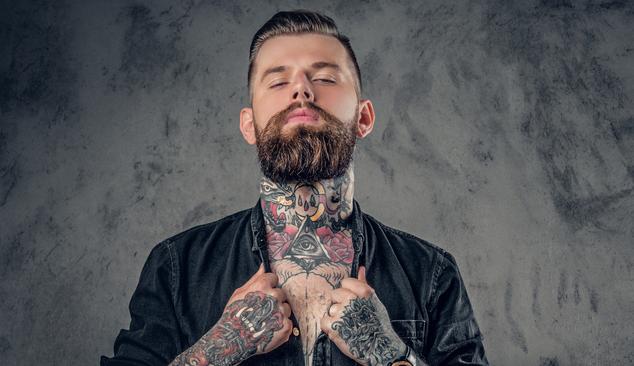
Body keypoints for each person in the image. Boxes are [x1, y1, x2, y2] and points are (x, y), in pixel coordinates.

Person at [101, 9, 488, 366]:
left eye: (323, 77)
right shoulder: (177, 268)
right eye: (278, 80)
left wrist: (389, 353)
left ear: (364, 118)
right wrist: (219, 345)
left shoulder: (431, 274)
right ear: (249, 125)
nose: (301, 89)